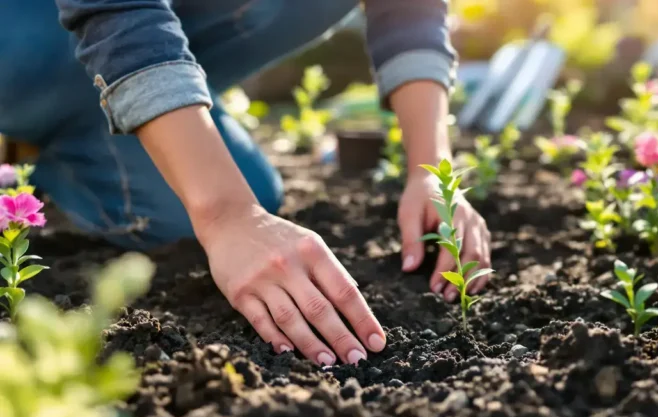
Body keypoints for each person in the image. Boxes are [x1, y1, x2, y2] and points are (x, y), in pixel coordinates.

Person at [0, 0, 491, 366]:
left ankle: (48, 140)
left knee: (223, 203)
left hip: (125, 47)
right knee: (222, 207)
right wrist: (225, 213)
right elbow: (116, 7)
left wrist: (432, 169)